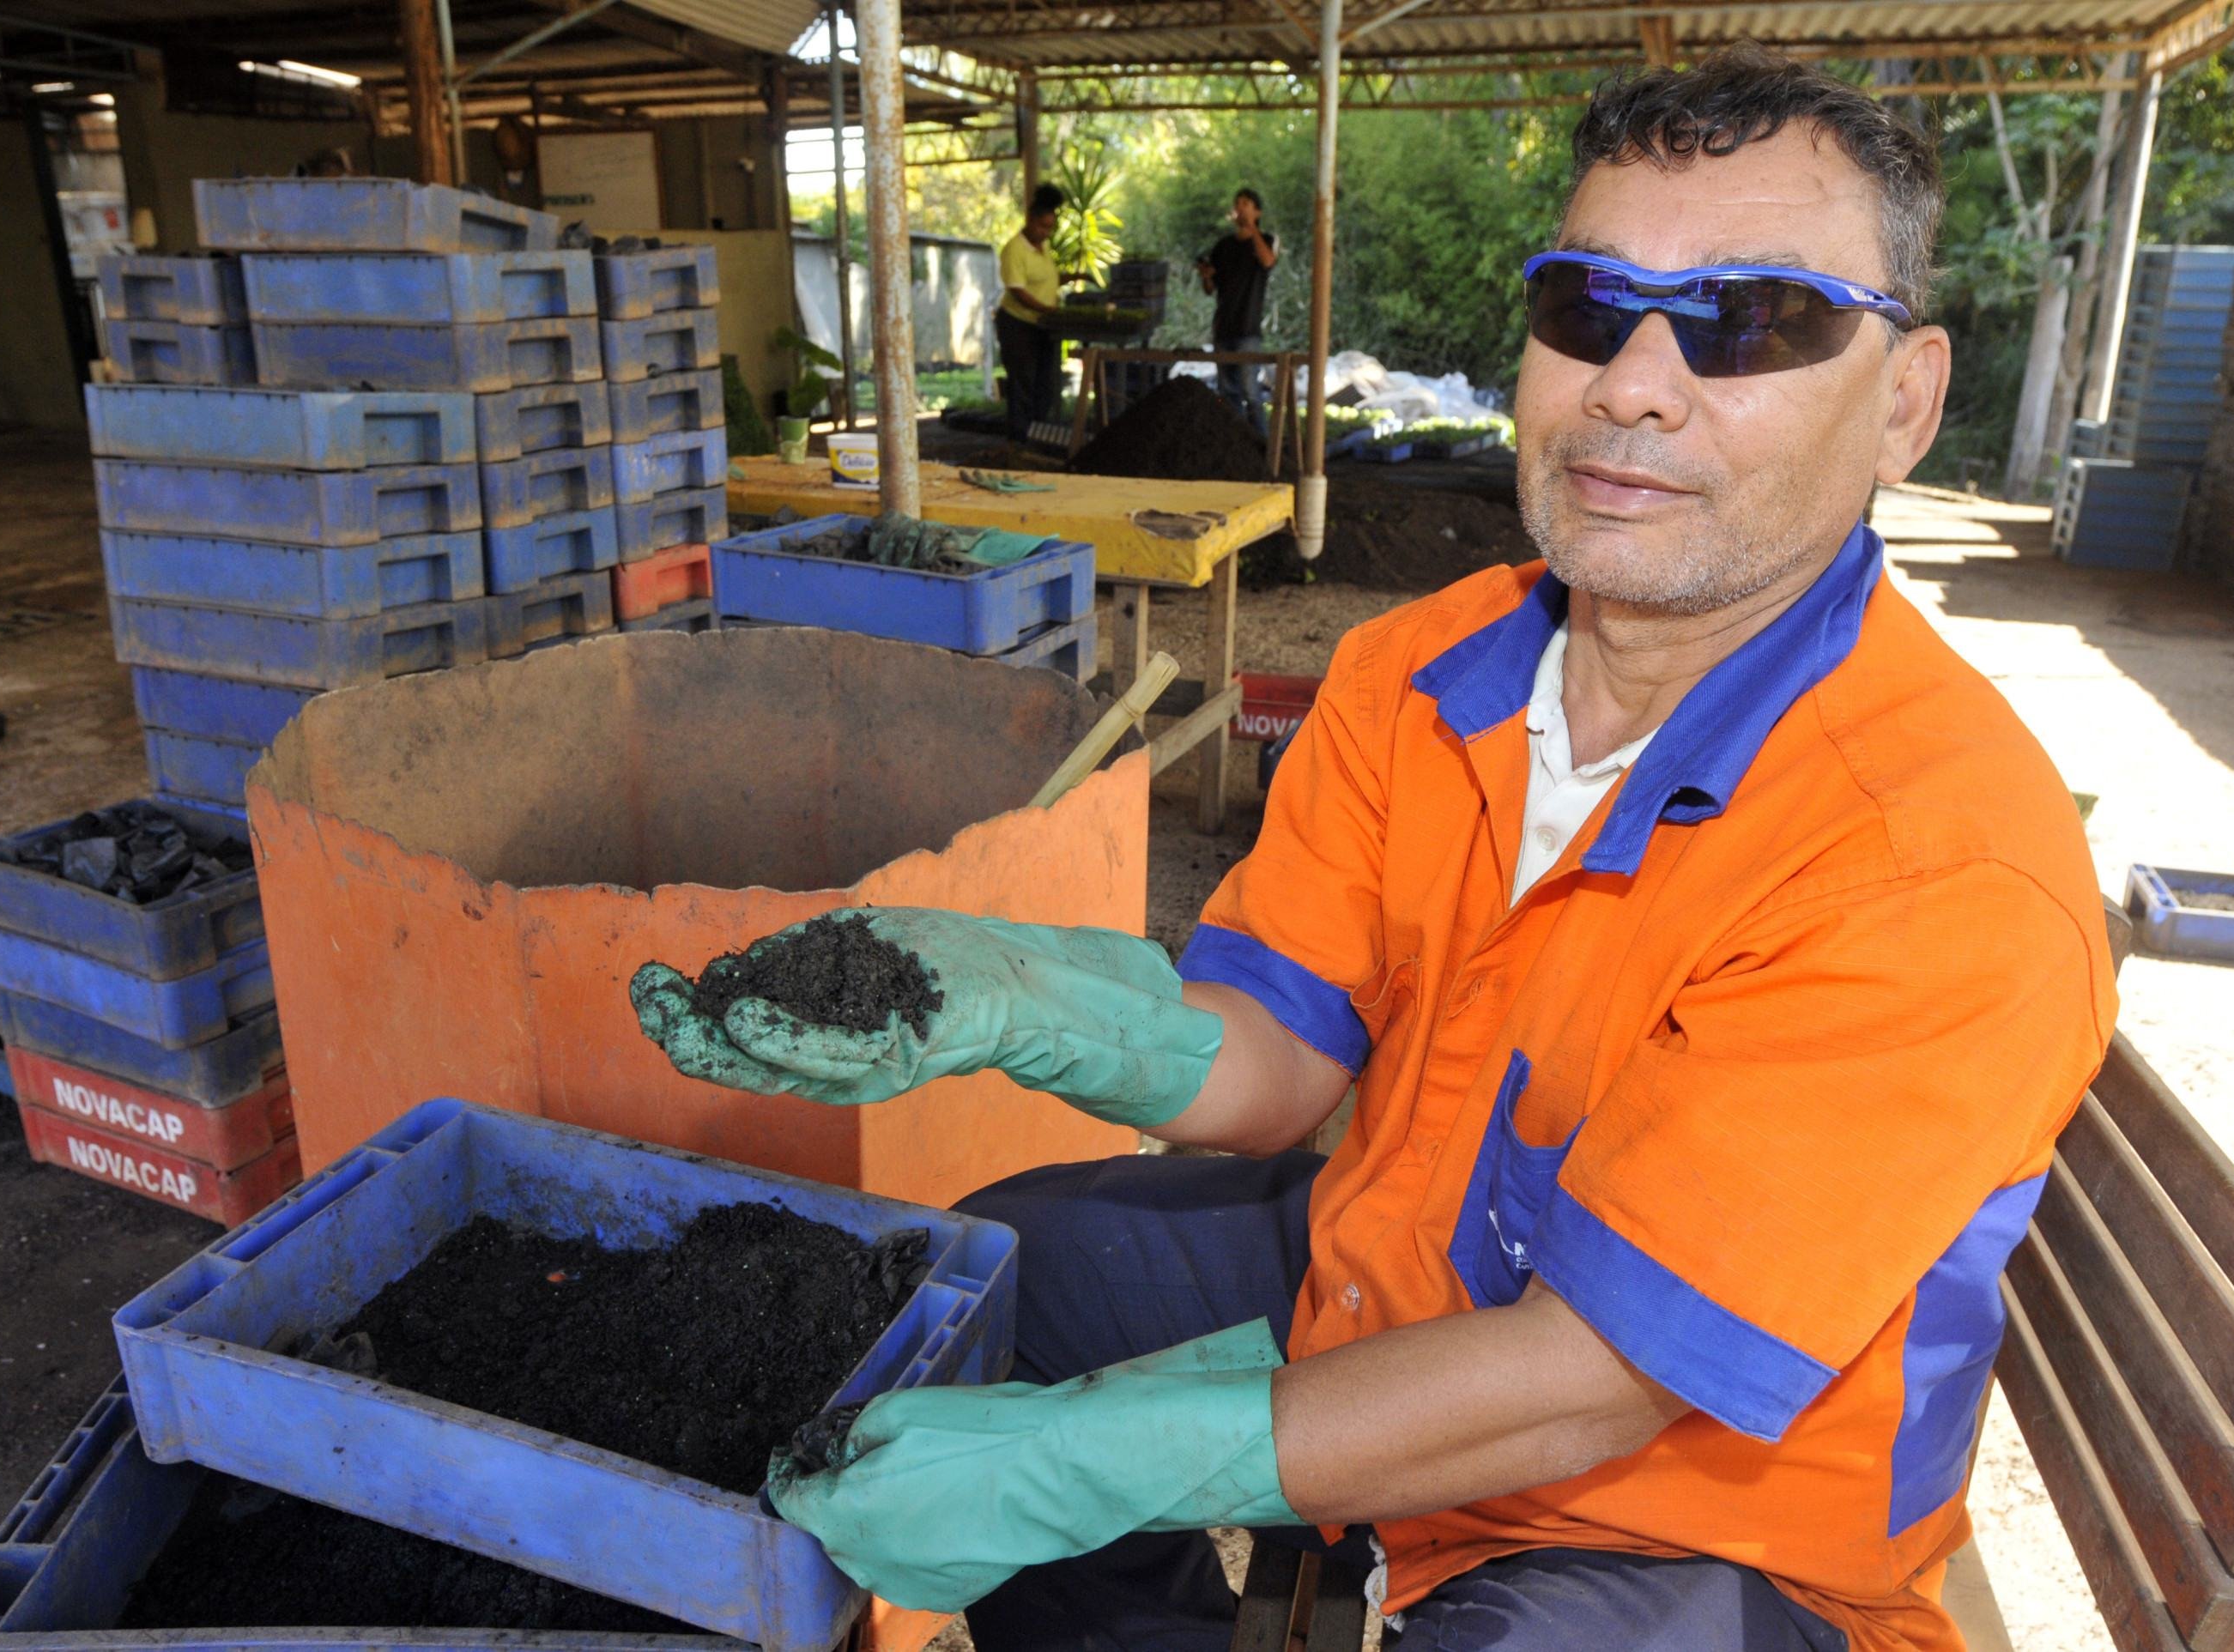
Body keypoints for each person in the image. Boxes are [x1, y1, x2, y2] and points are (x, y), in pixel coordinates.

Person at [633, 43, 2116, 1652]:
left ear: (1902, 400)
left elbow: (1591, 1380)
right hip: (1397, 1259)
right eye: (1582, 308)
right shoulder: (1416, 671)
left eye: (1749, 321)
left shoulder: (1933, 866)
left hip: (1693, 1518)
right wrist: (1009, 994)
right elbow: (1278, 1062)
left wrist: (1089, 1462)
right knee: (999, 1281)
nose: (1630, 381)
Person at [1197, 188, 1279, 430]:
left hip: (1248, 329)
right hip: (1223, 327)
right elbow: (1210, 288)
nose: (1240, 208)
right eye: (1237, 204)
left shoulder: (1265, 241)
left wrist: (1252, 229)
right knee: (1228, 392)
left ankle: (1262, 449)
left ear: (1257, 211)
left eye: (1246, 204)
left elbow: (1267, 261)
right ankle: (1236, 444)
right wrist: (1206, 275)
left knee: (1251, 392)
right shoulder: (1222, 247)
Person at [996, 184, 1073, 439]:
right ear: (1030, 219)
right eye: (1042, 226)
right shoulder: (1014, 250)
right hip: (1018, 326)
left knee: (1045, 383)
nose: (1045, 233)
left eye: (1050, 228)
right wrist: (1047, 310)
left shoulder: (1043, 248)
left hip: (1042, 326)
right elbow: (1018, 290)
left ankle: (1039, 432)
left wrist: (1073, 277)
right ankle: (1019, 437)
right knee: (1022, 383)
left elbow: (1044, 280)